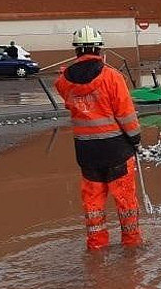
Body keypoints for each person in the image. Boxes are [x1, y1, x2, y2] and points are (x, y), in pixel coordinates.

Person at [55, 26, 143, 251]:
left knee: (93, 204)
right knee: (125, 202)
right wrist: (135, 138)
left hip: (87, 153)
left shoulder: (64, 81)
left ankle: (96, 249)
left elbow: (69, 100)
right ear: (99, 49)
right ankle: (132, 246)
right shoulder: (113, 77)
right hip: (117, 150)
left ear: (76, 51)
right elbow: (125, 114)